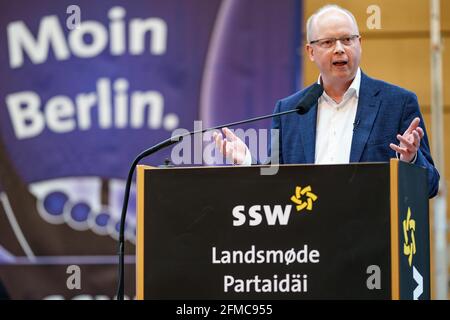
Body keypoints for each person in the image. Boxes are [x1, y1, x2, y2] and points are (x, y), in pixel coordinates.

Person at [213, 4, 439, 198]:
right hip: (309, 242)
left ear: (359, 43)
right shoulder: (290, 110)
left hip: (374, 241)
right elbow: (274, 188)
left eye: (347, 40)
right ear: (311, 51)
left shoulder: (398, 103)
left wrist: (410, 161)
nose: (340, 49)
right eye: (328, 42)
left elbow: (430, 185)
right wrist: (247, 162)